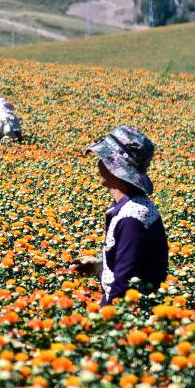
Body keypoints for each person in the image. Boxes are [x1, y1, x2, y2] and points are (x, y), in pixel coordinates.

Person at [73, 126, 168, 303]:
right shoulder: (131, 207)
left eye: (102, 158)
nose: (98, 164)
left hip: (124, 317)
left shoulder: (132, 218)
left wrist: (106, 319)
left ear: (113, 166)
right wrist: (99, 268)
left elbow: (124, 287)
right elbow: (136, 267)